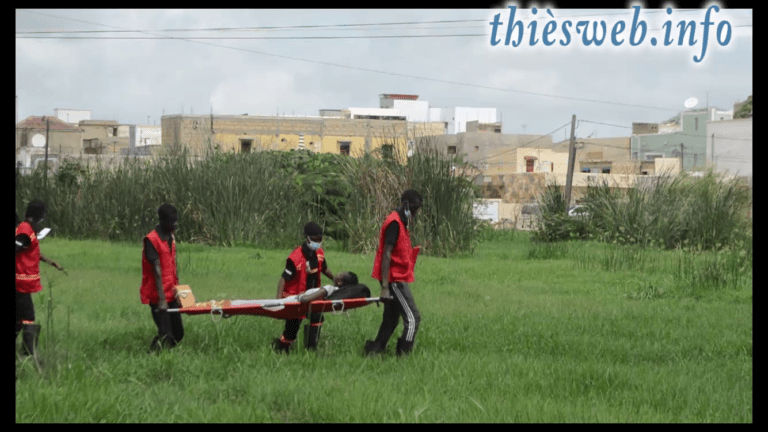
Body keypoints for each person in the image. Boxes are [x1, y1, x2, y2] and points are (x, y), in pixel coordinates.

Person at [365, 190, 423, 357]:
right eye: (413, 209)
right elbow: (386, 254)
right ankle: (403, 355)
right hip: (394, 280)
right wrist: (385, 286)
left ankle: (375, 349)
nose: (415, 213)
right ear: (405, 205)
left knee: (391, 318)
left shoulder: (402, 221)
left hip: (397, 277)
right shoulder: (395, 223)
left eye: (417, 210)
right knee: (413, 318)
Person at [273, 222, 335, 353]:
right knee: (293, 327)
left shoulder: (319, 253)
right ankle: (282, 347)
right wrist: (278, 302)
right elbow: (284, 278)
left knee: (317, 317)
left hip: (313, 295)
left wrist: (335, 279)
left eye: (319, 239)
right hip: (296, 297)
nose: (317, 242)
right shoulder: (295, 257)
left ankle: (311, 349)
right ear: (307, 237)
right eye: (314, 239)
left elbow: (324, 268)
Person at [15, 200, 65, 357]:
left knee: (18, 317)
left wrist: (50, 261)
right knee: (28, 316)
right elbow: (18, 246)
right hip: (20, 282)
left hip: (22, 282)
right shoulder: (25, 231)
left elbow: (29, 249)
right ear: (38, 215)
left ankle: (25, 353)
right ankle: (28, 353)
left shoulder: (28, 229)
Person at [140, 204, 184, 352]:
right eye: (172, 222)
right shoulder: (151, 240)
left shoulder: (171, 237)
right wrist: (162, 301)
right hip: (159, 297)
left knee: (178, 334)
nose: (175, 225)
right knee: (166, 335)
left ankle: (161, 350)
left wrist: (180, 293)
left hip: (171, 293)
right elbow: (157, 271)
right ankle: (153, 354)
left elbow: (173, 267)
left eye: (176, 221)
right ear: (163, 220)